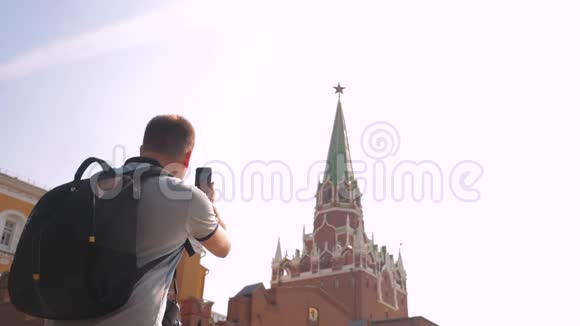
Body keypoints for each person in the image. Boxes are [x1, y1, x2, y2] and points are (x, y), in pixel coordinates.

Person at [45, 114, 231, 326]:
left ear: (141, 150)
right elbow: (223, 248)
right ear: (187, 158)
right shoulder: (187, 199)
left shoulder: (87, 186)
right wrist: (210, 203)